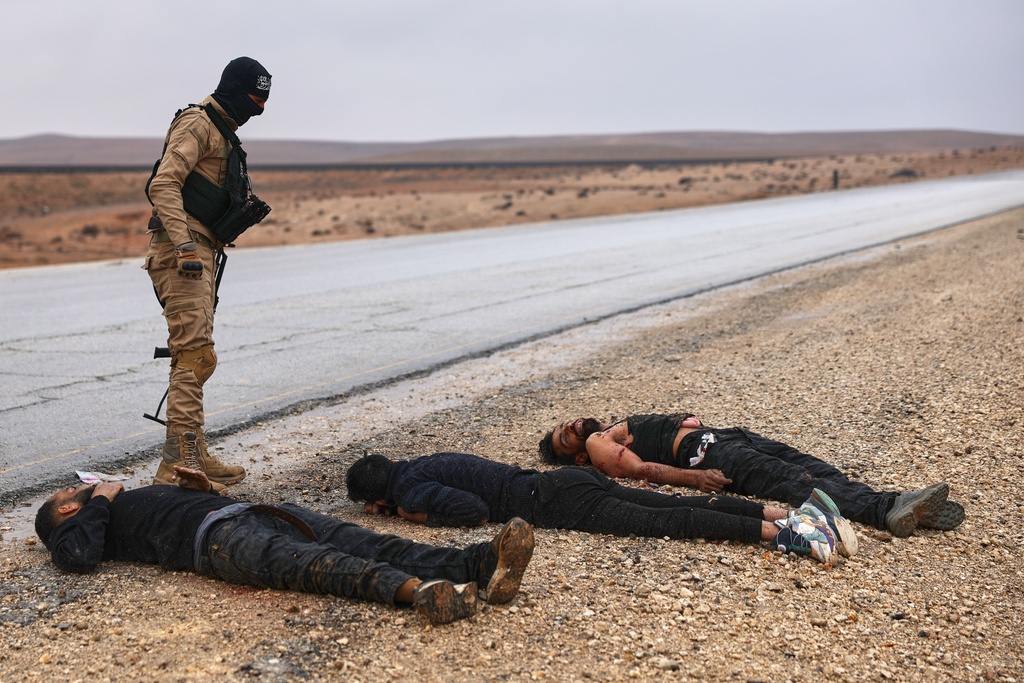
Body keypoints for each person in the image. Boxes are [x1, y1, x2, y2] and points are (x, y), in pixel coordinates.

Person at [34, 467, 535, 625]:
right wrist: (100, 498)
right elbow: (76, 559)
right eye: (67, 494)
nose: (74, 488)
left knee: (366, 539)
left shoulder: (108, 510)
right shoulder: (84, 527)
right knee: (325, 566)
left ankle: (477, 562)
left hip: (248, 515)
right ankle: (427, 592)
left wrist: (203, 489)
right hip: (220, 544)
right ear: (69, 511)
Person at [346, 452, 859, 565]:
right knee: (668, 504)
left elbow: (473, 511)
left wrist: (415, 517)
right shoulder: (423, 461)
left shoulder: (409, 490)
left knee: (670, 522)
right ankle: (789, 515)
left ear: (376, 499)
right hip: (567, 480)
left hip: (554, 501)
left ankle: (793, 536)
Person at [144, 56, 273, 488]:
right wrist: (184, 245)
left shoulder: (222, 132)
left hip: (199, 250)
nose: (255, 111)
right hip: (183, 252)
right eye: (253, 102)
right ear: (234, 91)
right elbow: (162, 184)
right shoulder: (198, 125)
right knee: (192, 355)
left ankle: (192, 454)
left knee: (200, 357)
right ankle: (178, 468)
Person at [538, 413, 965, 538]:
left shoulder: (610, 428)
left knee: (811, 467)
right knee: (792, 480)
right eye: (564, 437)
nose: (572, 427)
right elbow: (639, 469)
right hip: (702, 452)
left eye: (566, 424)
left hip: (721, 436)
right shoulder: (598, 444)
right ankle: (886, 509)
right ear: (575, 457)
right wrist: (695, 480)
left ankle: (898, 504)